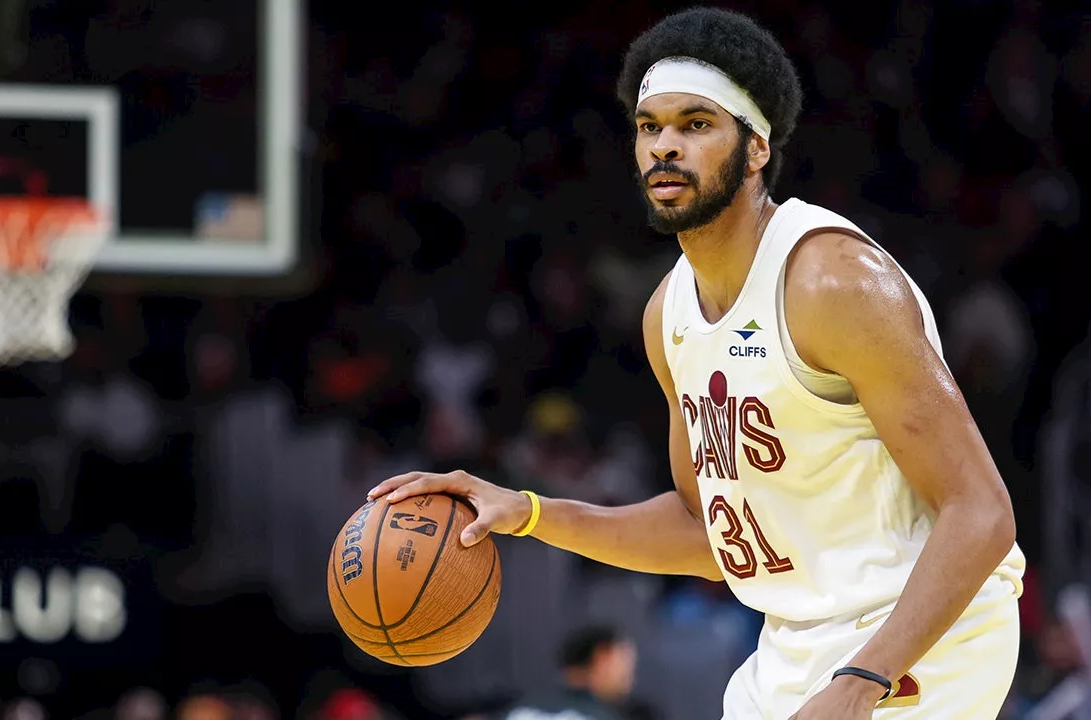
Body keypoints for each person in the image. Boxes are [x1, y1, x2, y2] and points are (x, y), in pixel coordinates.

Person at [368, 7, 1026, 719]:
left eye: (696, 124)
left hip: (924, 639)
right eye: (651, 127)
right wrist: (527, 512)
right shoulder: (668, 315)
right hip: (799, 644)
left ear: (756, 148)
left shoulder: (831, 281)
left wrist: (864, 680)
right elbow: (705, 535)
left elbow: (983, 512)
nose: (665, 148)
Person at [500, 625, 639, 720]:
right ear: (602, 658)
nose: (631, 681)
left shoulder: (520, 708)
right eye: (624, 660)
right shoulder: (598, 716)